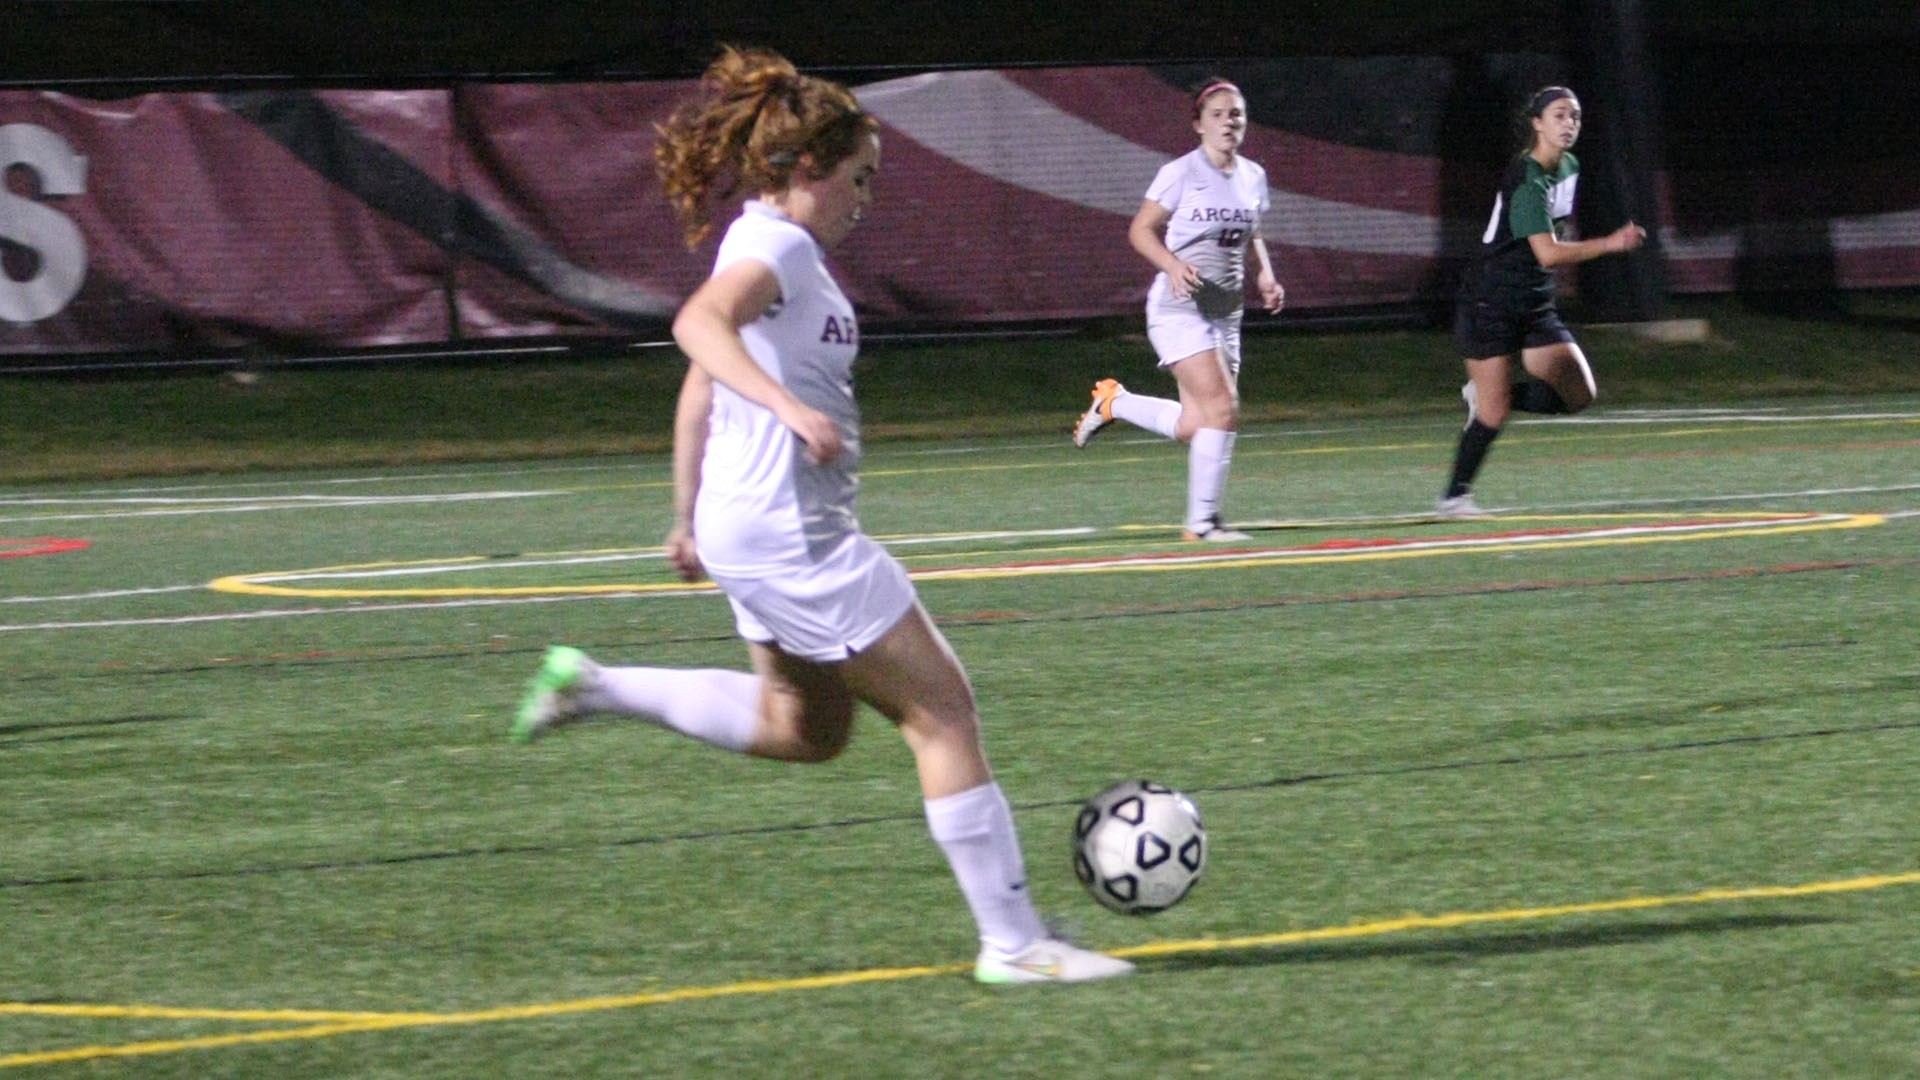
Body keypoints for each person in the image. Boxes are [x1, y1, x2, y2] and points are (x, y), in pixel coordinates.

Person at [508, 46, 1131, 986]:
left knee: (804, 728)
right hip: (798, 539)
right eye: (859, 178)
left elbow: (698, 384)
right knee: (944, 714)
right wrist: (792, 410)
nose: (866, 198)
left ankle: (592, 684)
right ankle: (1016, 945)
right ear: (807, 170)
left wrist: (685, 512)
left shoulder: (759, 241)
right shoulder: (780, 245)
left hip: (747, 530)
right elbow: (695, 328)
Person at [1071, 77, 1286, 541]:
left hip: (1226, 312)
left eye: (1237, 113)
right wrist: (1170, 264)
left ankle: (1115, 402)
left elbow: (1254, 233)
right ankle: (1202, 524)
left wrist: (1265, 273)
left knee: (1196, 424)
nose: (1229, 121)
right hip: (1179, 308)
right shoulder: (1181, 173)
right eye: (1218, 114)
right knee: (1223, 409)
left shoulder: (1253, 176)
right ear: (1198, 125)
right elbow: (1141, 230)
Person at [1437, 85, 1646, 518]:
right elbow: (1548, 253)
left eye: (1575, 116)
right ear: (1536, 124)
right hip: (1489, 301)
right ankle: (1454, 497)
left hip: (1534, 302)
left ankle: (1492, 397)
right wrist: (1609, 244)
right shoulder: (1527, 178)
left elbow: (1550, 245)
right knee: (1493, 413)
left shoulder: (1568, 165)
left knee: (1579, 393)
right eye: (1559, 115)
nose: (1569, 123)